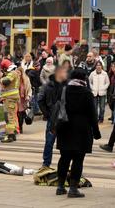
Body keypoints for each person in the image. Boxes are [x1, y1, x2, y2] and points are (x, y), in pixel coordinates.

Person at [56, 69, 101, 198]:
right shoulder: (86, 93)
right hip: (82, 130)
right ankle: (73, 189)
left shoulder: (64, 90)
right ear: (84, 79)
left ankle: (60, 187)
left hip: (64, 128)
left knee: (64, 158)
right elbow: (93, 115)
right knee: (78, 159)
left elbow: (58, 106)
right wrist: (96, 132)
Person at [38, 66, 68, 168]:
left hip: (63, 118)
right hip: (54, 117)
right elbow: (40, 100)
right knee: (50, 142)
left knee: (61, 142)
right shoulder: (48, 86)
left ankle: (62, 163)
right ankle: (46, 163)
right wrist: (47, 114)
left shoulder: (65, 85)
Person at [0, 65, 20, 142]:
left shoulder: (13, 73)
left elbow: (6, 81)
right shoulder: (16, 74)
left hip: (10, 98)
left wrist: (1, 78)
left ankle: (10, 136)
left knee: (9, 117)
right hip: (11, 98)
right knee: (12, 116)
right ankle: (12, 135)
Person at [16, 67, 32, 134]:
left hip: (23, 99)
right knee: (17, 114)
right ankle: (17, 127)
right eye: (17, 72)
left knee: (21, 114)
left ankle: (20, 126)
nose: (18, 74)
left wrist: (28, 96)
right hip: (17, 99)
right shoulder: (15, 79)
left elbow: (29, 88)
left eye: (19, 72)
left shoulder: (26, 79)